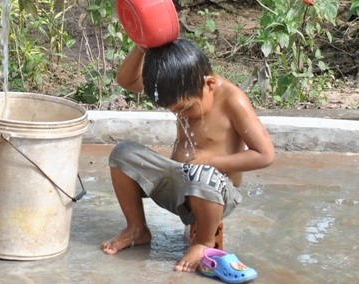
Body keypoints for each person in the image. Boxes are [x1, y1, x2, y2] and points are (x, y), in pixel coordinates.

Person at [101, 39, 275, 272]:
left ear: (209, 84)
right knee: (123, 154)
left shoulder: (233, 100)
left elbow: (265, 154)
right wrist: (141, 48)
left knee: (201, 173)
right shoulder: (180, 86)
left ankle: (203, 241)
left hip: (215, 192)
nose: (182, 115)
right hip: (179, 182)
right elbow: (126, 81)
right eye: (175, 111)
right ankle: (137, 229)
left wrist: (210, 161)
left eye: (187, 108)